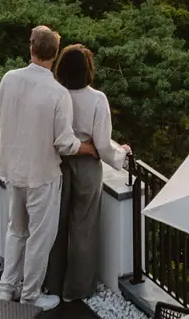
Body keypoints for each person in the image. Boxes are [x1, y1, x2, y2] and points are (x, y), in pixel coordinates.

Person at [0, 26, 97, 310]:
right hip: (42, 174)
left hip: (12, 168)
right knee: (40, 237)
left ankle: (6, 288)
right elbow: (65, 144)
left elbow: (3, 119)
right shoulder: (57, 93)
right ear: (55, 54)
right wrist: (89, 148)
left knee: (16, 230)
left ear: (31, 49)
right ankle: (30, 295)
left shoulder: (8, 79)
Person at [44, 44, 131, 301]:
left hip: (58, 161)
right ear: (88, 69)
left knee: (54, 225)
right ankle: (77, 289)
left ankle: (52, 284)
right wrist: (121, 153)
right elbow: (102, 144)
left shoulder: (54, 94)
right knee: (83, 225)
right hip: (87, 164)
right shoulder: (96, 99)